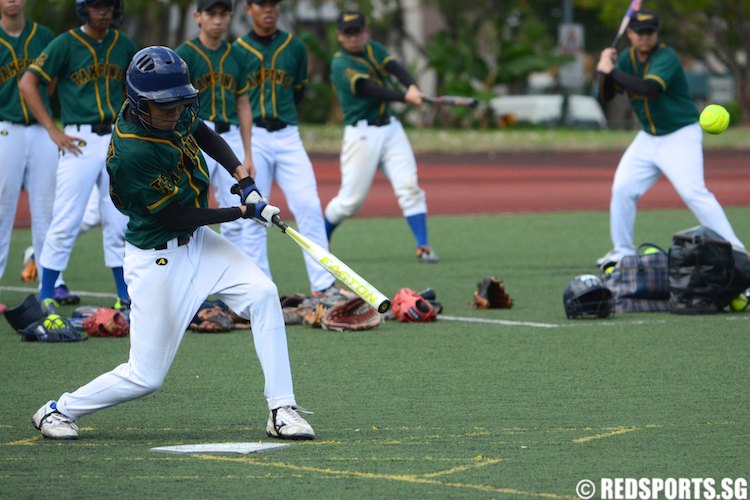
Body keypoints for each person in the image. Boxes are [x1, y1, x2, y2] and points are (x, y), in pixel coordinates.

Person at [32, 46, 315, 441]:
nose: (175, 113)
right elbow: (173, 215)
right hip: (157, 260)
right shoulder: (133, 153)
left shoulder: (166, 108)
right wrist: (242, 212)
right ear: (139, 104)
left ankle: (281, 409)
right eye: (166, 107)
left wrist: (243, 178)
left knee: (264, 293)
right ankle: (58, 409)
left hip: (198, 242)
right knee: (145, 377)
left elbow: (201, 131)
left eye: (180, 103)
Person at [596, 8, 745, 266]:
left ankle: (737, 250)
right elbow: (607, 95)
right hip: (648, 137)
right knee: (622, 189)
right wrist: (603, 69)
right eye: (640, 33)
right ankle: (623, 251)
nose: (645, 38)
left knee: (693, 193)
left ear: (656, 33)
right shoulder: (627, 59)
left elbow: (649, 89)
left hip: (680, 135)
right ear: (629, 34)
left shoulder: (666, 56)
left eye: (649, 32)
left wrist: (611, 70)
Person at [18, 0, 137, 311]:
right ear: (84, 9)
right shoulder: (66, 43)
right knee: (66, 219)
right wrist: (52, 130)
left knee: (118, 219)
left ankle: (124, 296)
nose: (105, 12)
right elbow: (28, 82)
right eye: (98, 6)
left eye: (109, 6)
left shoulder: (123, 44)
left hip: (115, 137)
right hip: (78, 138)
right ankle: (47, 293)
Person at [232, 0, 337, 294]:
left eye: (273, 4)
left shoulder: (295, 47)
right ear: (248, 9)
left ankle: (323, 285)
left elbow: (299, 90)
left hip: (288, 134)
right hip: (255, 137)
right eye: (261, 4)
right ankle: (260, 289)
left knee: (309, 206)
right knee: (254, 214)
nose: (269, 10)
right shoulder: (237, 51)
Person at [325, 10, 438, 264]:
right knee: (349, 203)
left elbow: (395, 67)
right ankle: (322, 238)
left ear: (365, 32)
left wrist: (411, 86)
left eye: (357, 31)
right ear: (340, 36)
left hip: (390, 129)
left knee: (409, 187)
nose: (354, 37)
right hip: (361, 134)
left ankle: (423, 246)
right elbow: (368, 90)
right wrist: (404, 97)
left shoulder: (373, 48)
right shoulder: (340, 62)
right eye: (348, 32)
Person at [176, 0, 254, 250]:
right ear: (198, 16)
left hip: (229, 135)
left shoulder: (236, 55)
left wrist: (248, 153)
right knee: (194, 202)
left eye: (223, 14)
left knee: (236, 214)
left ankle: (233, 278)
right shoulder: (184, 54)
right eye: (212, 14)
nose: (218, 19)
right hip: (198, 135)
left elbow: (243, 103)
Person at [0, 0, 56, 309]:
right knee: (1, 205)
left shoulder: (43, 35)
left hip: (40, 128)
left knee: (45, 205)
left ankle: (50, 282)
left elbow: (52, 80)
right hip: (5, 127)